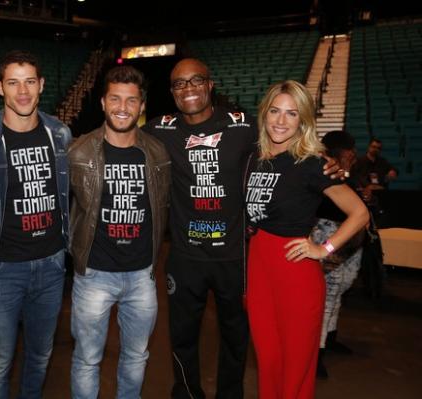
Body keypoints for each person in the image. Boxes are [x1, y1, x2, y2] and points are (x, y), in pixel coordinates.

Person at [143, 58, 341, 399]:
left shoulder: (244, 126)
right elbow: (120, 134)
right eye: (179, 84)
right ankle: (187, 394)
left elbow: (286, 137)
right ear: (172, 91)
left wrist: (327, 160)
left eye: (196, 81)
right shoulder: (160, 128)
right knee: (182, 337)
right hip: (185, 258)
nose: (188, 89)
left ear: (210, 84)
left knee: (236, 339)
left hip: (236, 258)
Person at [245, 80, 369, 399]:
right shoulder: (254, 157)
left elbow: (359, 213)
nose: (281, 121)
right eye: (275, 111)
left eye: (292, 114)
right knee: (269, 362)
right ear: (264, 113)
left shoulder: (312, 163)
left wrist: (322, 249)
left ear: (303, 121)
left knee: (295, 368)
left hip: (295, 273)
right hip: (258, 273)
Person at [0, 50, 72, 399]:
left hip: (52, 265)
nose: (22, 91)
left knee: (40, 357)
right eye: (13, 82)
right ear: (0, 88)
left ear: (41, 85)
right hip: (3, 270)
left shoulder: (60, 134)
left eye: (29, 82)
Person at [68, 65, 171, 398]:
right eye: (115, 98)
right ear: (102, 102)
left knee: (136, 357)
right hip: (93, 274)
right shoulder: (78, 151)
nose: (122, 107)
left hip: (142, 275)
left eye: (131, 101)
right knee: (87, 359)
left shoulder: (157, 153)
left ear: (142, 106)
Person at [310, 130, 367, 379]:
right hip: (328, 233)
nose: (352, 153)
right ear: (335, 151)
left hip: (349, 238)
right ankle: (316, 354)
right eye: (347, 148)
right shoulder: (325, 168)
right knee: (328, 293)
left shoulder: (345, 171)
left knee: (340, 289)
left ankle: (329, 339)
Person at [351, 137, 398, 220]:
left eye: (378, 148)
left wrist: (392, 171)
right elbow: (355, 176)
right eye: (373, 147)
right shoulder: (359, 161)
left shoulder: (382, 161)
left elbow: (393, 170)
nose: (375, 149)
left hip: (380, 194)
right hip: (364, 193)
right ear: (369, 147)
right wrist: (367, 186)